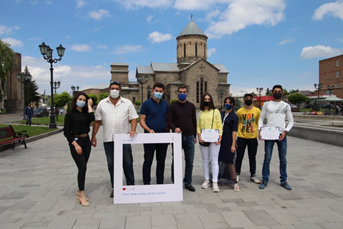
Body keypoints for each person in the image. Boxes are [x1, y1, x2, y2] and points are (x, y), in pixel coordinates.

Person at [91, 81, 138, 198]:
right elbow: (97, 121)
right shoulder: (102, 104)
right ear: (109, 89)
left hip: (124, 139)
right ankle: (116, 188)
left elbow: (133, 118)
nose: (114, 90)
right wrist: (93, 136)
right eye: (112, 88)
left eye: (117, 88)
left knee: (127, 163)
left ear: (120, 90)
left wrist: (132, 129)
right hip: (109, 139)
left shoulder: (127, 103)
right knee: (111, 164)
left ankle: (130, 186)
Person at [258, 85, 294, 190]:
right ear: (272, 93)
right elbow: (261, 119)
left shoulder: (285, 105)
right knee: (267, 157)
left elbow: (291, 121)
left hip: (281, 134)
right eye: (275, 91)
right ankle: (265, 179)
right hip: (269, 134)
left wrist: (286, 131)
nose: (277, 92)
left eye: (279, 91)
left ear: (282, 93)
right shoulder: (266, 104)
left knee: (283, 159)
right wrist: (260, 130)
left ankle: (283, 180)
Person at [63, 92, 94, 206]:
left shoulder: (86, 113)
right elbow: (66, 131)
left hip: (86, 141)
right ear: (75, 100)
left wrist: (90, 106)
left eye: (84, 100)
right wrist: (75, 145)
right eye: (80, 99)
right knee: (82, 167)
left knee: (83, 167)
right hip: (76, 141)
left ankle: (79, 190)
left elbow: (92, 118)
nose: (82, 101)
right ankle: (81, 193)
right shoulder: (70, 114)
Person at [167, 85, 197, 192]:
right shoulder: (173, 106)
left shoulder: (191, 106)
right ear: (177, 93)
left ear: (187, 93)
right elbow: (169, 121)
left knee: (189, 161)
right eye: (180, 92)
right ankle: (175, 181)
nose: (182, 94)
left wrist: (195, 136)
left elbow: (194, 121)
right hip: (177, 137)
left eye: (184, 92)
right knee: (176, 161)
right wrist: (175, 128)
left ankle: (187, 182)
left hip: (189, 137)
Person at [140, 82, 169, 185]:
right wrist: (148, 130)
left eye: (160, 91)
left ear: (163, 92)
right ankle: (146, 182)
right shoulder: (146, 104)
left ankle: (159, 182)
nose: (158, 93)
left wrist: (168, 135)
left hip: (162, 137)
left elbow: (168, 120)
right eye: (156, 91)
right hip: (149, 137)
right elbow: (142, 120)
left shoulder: (165, 104)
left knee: (161, 161)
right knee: (148, 160)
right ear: (152, 91)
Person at [197, 93, 222, 193]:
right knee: (205, 160)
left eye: (208, 99)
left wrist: (219, 137)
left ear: (211, 100)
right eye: (205, 99)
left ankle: (215, 181)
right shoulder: (201, 112)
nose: (207, 100)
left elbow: (219, 124)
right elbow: (198, 125)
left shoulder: (215, 111)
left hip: (214, 138)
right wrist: (199, 136)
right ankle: (207, 179)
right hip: (204, 138)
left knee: (215, 160)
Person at [235, 93, 261, 184]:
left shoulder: (257, 111)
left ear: (253, 100)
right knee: (239, 157)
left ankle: (253, 175)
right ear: (243, 100)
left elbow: (258, 122)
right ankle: (237, 173)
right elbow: (238, 123)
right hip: (241, 137)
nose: (248, 100)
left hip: (252, 137)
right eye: (247, 98)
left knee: (252, 157)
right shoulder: (239, 111)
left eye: (250, 98)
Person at [218, 97, 240, 192]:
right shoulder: (221, 114)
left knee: (230, 160)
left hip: (228, 138)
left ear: (233, 105)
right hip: (220, 137)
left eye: (229, 103)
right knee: (220, 158)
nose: (227, 104)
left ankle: (234, 181)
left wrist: (233, 144)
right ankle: (221, 178)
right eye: (226, 102)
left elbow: (234, 131)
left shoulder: (234, 116)